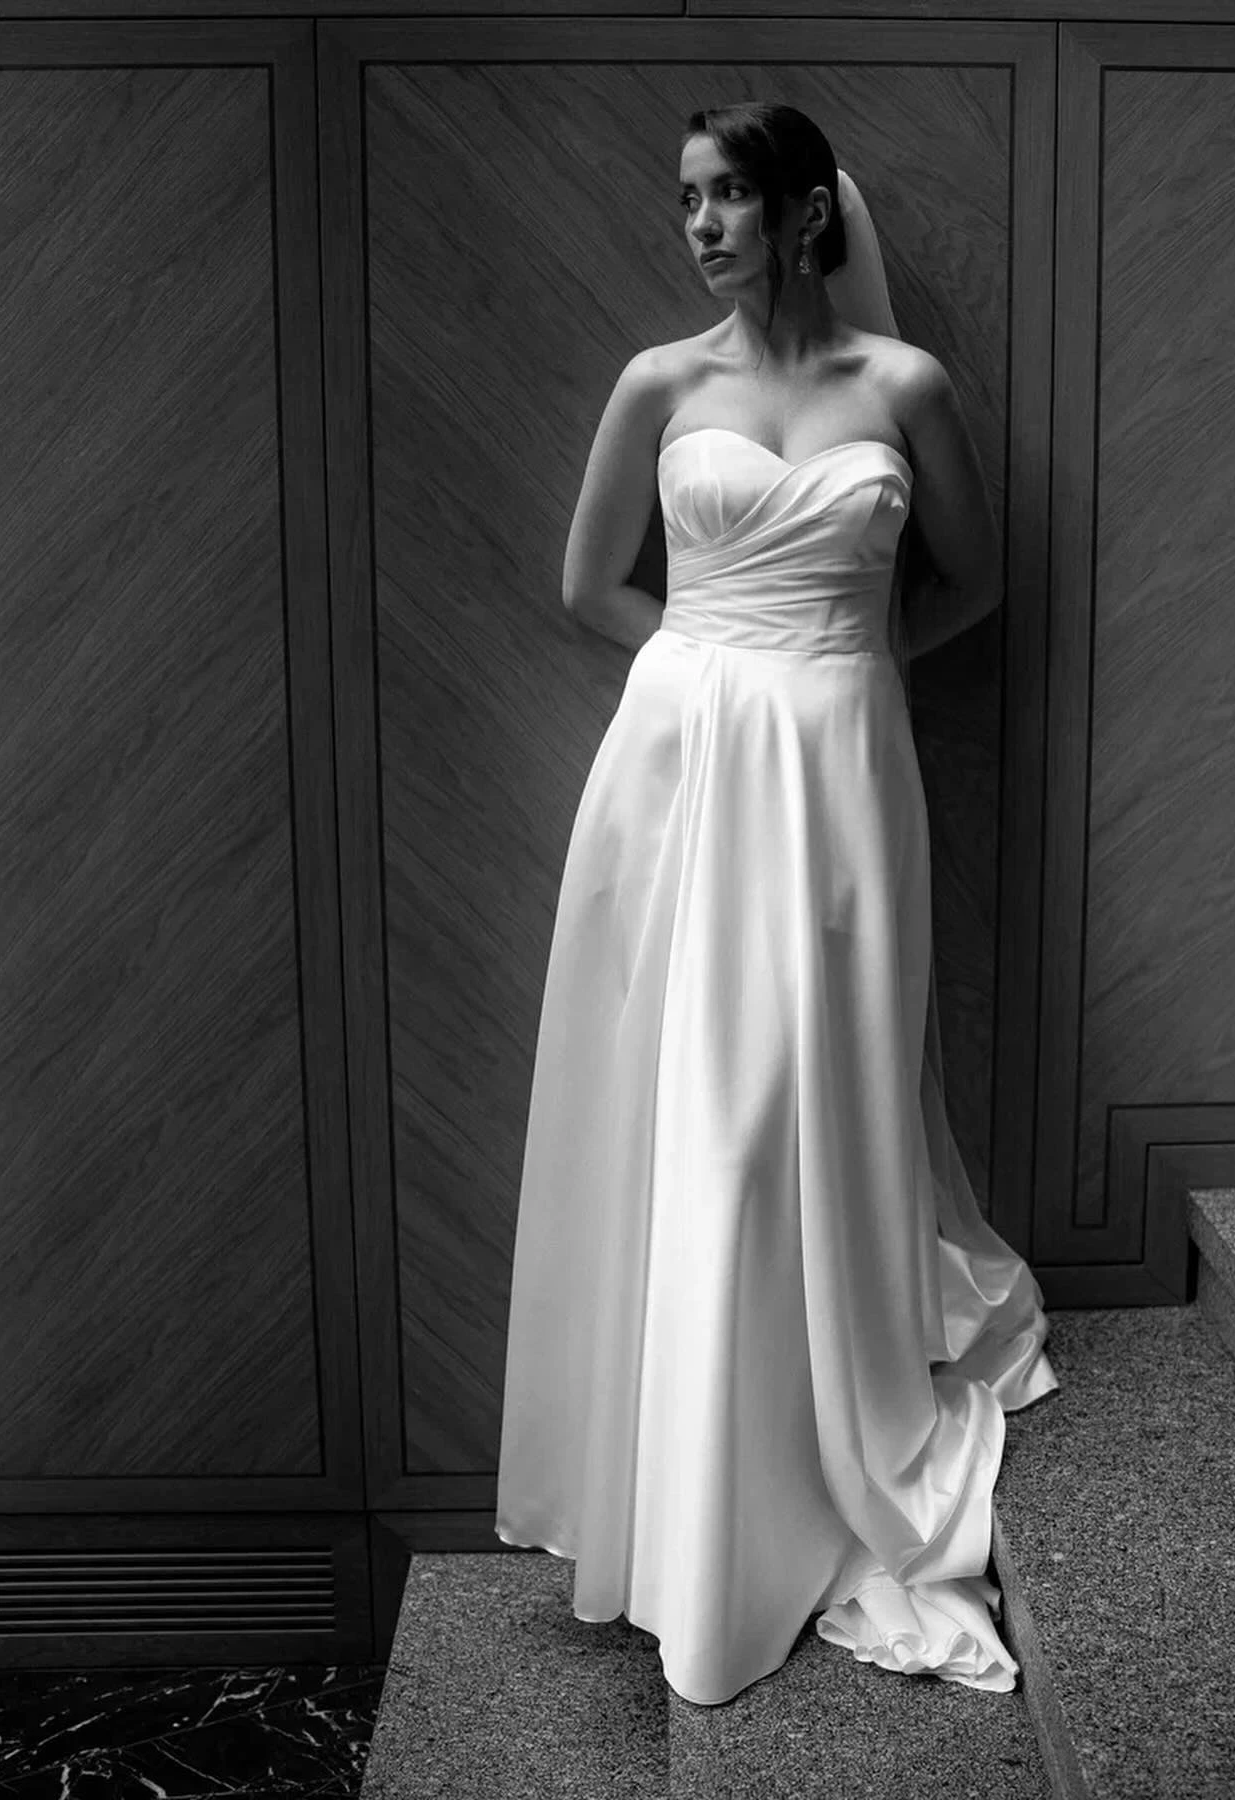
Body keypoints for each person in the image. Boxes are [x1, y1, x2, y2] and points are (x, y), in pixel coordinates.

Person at [494, 100, 1058, 1709]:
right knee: (703, 1114)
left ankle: (826, 1416)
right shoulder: (660, 385)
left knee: (833, 1077)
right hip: (681, 765)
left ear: (810, 211)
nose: (702, 224)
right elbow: (590, 583)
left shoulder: (905, 387)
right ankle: (694, 1500)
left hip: (846, 764)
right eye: (688, 197)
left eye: (731, 193)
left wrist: (847, 663)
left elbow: (978, 578)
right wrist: (712, 668)